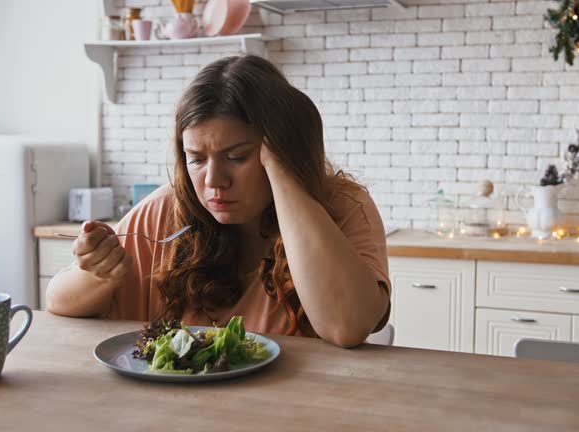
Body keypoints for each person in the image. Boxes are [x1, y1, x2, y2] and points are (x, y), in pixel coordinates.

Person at [46, 55, 390, 348]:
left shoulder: (343, 207)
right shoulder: (165, 211)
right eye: (196, 159)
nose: (213, 182)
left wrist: (286, 175)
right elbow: (57, 301)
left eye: (238, 157)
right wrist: (96, 272)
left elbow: (346, 326)